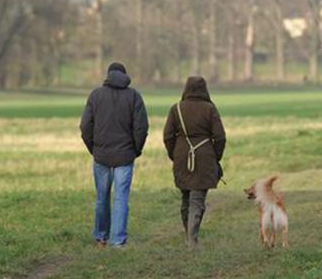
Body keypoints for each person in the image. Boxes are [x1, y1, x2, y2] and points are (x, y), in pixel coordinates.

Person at [80, 62, 149, 248]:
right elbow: (141, 127)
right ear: (124, 75)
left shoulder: (95, 95)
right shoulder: (134, 96)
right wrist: (136, 150)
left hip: (101, 155)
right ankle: (117, 240)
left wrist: (94, 149)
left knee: (102, 197)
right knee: (121, 198)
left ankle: (101, 236)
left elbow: (85, 126)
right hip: (125, 156)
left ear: (108, 75)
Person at [163, 76, 226, 248]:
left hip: (182, 157)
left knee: (185, 198)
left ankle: (188, 236)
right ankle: (192, 239)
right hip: (205, 157)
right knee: (197, 200)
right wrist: (215, 157)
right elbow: (220, 137)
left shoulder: (176, 109)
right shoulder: (210, 109)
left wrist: (174, 155)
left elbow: (167, 136)